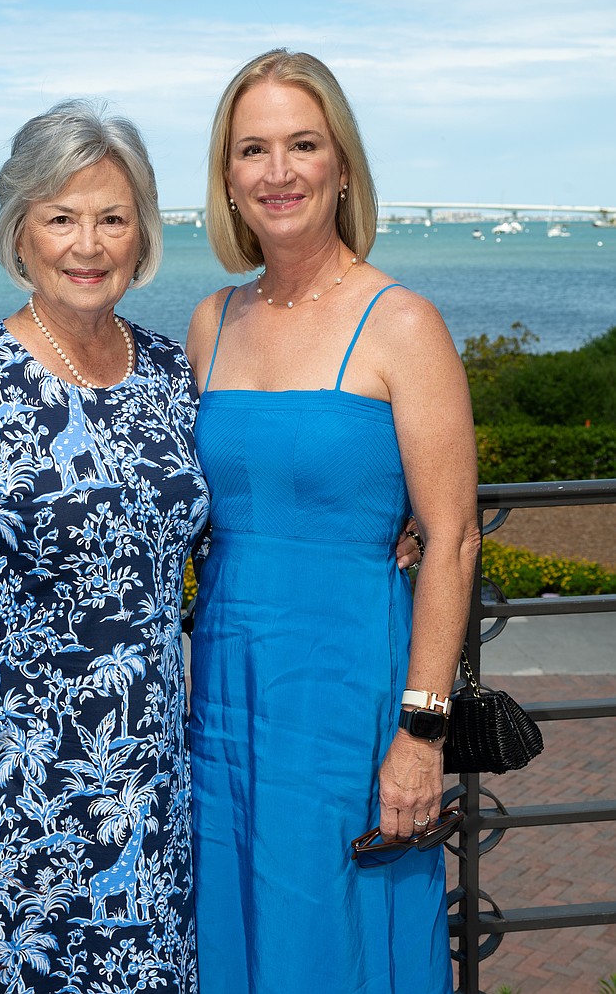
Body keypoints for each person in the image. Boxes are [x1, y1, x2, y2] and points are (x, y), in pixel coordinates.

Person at [0, 100, 208, 991]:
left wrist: (382, 524)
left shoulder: (172, 375)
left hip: (155, 783)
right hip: (19, 792)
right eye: (61, 218)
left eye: (111, 217)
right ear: (21, 233)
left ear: (143, 236)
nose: (87, 244)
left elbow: (218, 532)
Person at [186, 50, 480, 993]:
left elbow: (454, 537)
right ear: (227, 181)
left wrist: (423, 734)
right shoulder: (210, 322)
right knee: (236, 926)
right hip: (225, 694)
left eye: (302, 144)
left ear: (342, 166)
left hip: (350, 691)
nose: (278, 172)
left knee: (339, 936)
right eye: (253, 150)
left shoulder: (403, 324)